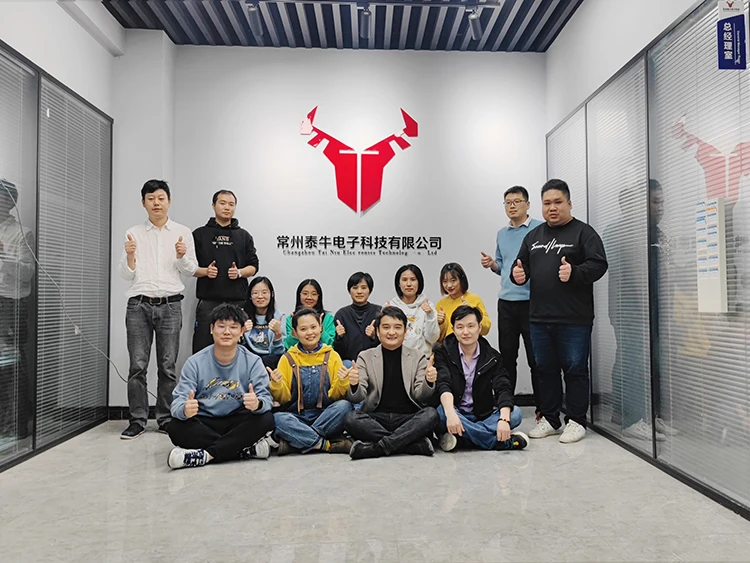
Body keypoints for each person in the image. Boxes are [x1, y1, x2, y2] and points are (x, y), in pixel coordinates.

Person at [512, 179, 608, 444]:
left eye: (557, 202)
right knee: (545, 369)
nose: (552, 208)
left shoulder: (583, 233)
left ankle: (576, 421)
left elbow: (599, 264)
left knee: (575, 370)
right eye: (547, 203)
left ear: (569, 203)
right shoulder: (533, 236)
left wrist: (575, 272)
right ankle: (551, 419)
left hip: (574, 318)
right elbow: (520, 267)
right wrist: (517, 275)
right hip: (539, 317)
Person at [118, 180, 198, 440]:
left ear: (169, 201)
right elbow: (125, 274)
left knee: (167, 366)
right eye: (151, 198)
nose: (156, 203)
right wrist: (130, 256)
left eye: (161, 198)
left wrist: (182, 255)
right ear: (143, 203)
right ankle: (137, 420)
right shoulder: (133, 233)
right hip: (138, 305)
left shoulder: (182, 232)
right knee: (137, 366)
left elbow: (190, 269)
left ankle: (165, 418)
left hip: (170, 304)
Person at [166, 303, 274, 469]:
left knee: (266, 419)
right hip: (205, 421)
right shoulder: (195, 362)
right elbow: (177, 403)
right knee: (175, 427)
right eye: (221, 326)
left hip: (237, 420)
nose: (227, 332)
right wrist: (184, 410)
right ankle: (242, 449)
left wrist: (257, 404)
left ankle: (206, 455)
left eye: (233, 327)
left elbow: (266, 399)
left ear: (242, 331)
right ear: (211, 329)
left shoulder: (253, 361)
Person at [344, 306, 439, 459]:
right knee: (351, 418)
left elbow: (421, 396)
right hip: (376, 418)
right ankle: (410, 445)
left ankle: (377, 448)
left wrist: (428, 381)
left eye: (397, 327)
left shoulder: (418, 356)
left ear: (405, 331)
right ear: (377, 331)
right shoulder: (365, 357)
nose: (392, 332)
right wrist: (354, 384)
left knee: (431, 414)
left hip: (408, 418)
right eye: (386, 327)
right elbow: (357, 398)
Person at [480, 186, 543, 413]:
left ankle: (543, 410)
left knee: (537, 359)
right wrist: (492, 264)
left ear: (528, 204)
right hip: (506, 303)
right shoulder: (502, 233)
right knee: (507, 358)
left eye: (517, 201)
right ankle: (505, 407)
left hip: (532, 302)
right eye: (508, 202)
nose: (512, 206)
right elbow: (502, 267)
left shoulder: (540, 229)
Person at [434, 305, 528, 452]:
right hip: (456, 411)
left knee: (515, 414)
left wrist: (503, 420)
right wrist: (451, 413)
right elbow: (443, 383)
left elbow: (503, 387)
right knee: (441, 412)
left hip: (482, 415)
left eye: (470, 326)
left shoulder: (492, 357)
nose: (465, 332)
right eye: (460, 327)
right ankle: (493, 442)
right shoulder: (443, 353)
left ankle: (465, 438)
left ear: (479, 327)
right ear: (453, 329)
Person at [269, 308, 354, 454]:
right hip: (297, 416)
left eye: (313, 327)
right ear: (295, 332)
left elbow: (336, 396)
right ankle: (325, 444)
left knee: (345, 406)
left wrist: (342, 381)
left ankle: (298, 441)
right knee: (277, 418)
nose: (309, 332)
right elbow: (284, 399)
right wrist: (276, 384)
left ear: (321, 328)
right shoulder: (287, 358)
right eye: (303, 329)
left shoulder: (332, 356)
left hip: (325, 415)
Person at [191, 190, 258, 353]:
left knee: (236, 348)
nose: (227, 207)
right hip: (208, 301)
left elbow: (254, 266)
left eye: (231, 204)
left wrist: (240, 272)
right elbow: (187, 266)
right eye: (222, 203)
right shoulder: (199, 234)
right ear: (214, 205)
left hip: (237, 301)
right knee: (203, 346)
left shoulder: (244, 236)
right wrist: (205, 271)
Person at [0, 179, 34, 442]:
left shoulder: (22, 233)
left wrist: (4, 258)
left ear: (9, 202)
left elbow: (27, 274)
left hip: (9, 302)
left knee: (10, 363)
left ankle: (18, 424)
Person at [385, 264, 439, 357]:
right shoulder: (390, 306)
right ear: (398, 283)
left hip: (422, 360)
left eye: (413, 280)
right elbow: (384, 338)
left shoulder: (427, 306)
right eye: (404, 280)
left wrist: (430, 315)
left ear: (419, 282)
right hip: (396, 359)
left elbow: (433, 339)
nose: (409, 284)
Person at [333, 272, 381, 363]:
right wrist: (339, 337)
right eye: (355, 288)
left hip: (374, 362)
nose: (359, 291)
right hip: (349, 363)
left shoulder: (378, 312)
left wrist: (374, 337)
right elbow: (338, 352)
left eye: (363, 288)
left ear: (370, 291)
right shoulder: (342, 314)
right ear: (349, 291)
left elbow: (386, 344)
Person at [436, 262, 491, 342]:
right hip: (449, 347)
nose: (449, 285)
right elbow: (437, 338)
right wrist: (440, 323)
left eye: (453, 280)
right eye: (445, 281)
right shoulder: (441, 304)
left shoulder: (474, 299)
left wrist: (473, 311)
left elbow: (486, 329)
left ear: (461, 280)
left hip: (471, 345)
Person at [241, 276, 285, 369]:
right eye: (255, 293)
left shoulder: (279, 317)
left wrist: (278, 336)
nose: (260, 296)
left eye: (264, 292)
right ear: (250, 296)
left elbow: (280, 352)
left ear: (272, 294)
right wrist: (241, 332)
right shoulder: (242, 316)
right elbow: (236, 347)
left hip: (271, 359)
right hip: (248, 358)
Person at [284, 279, 335, 349]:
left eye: (314, 294)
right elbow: (288, 347)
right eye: (305, 294)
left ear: (319, 296)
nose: (309, 297)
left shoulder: (327, 318)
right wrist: (294, 334)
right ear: (299, 295)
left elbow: (331, 345)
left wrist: (321, 330)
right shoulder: (290, 319)